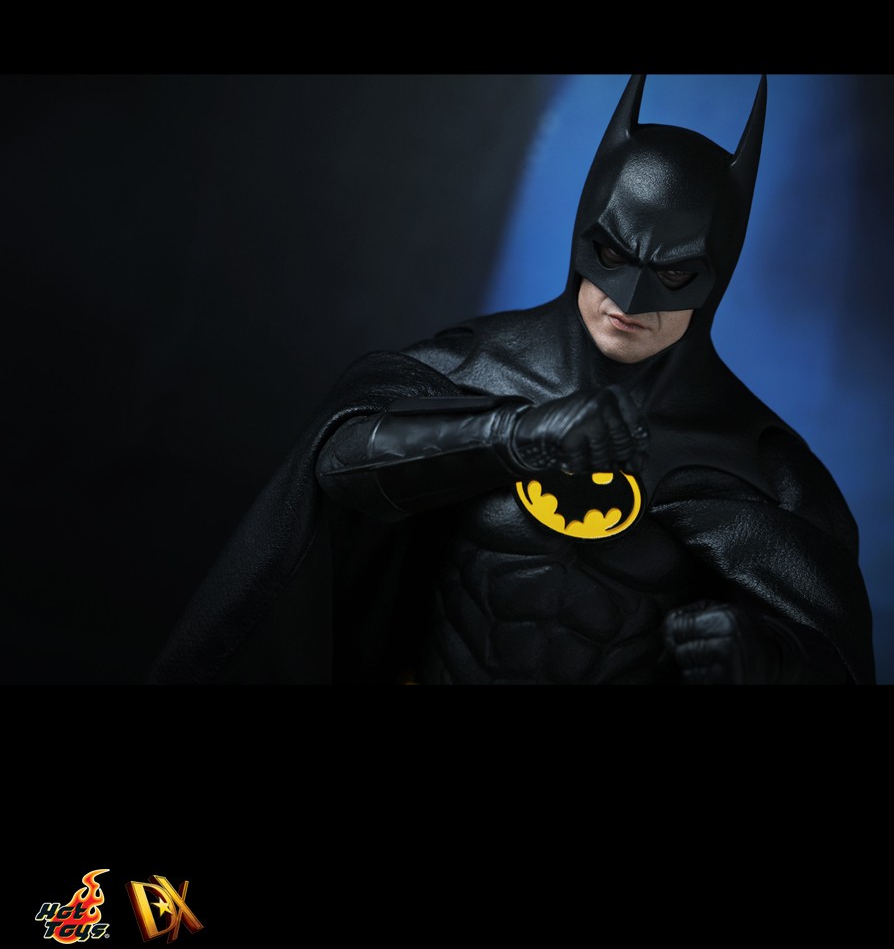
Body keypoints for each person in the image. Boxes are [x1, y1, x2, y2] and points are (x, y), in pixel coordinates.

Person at [148, 75, 876, 685]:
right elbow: (337, 469)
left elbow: (833, 659)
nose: (628, 299)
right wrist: (509, 435)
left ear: (717, 271)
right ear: (584, 233)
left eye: (673, 274)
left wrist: (768, 661)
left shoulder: (760, 468)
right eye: (613, 255)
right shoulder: (475, 369)